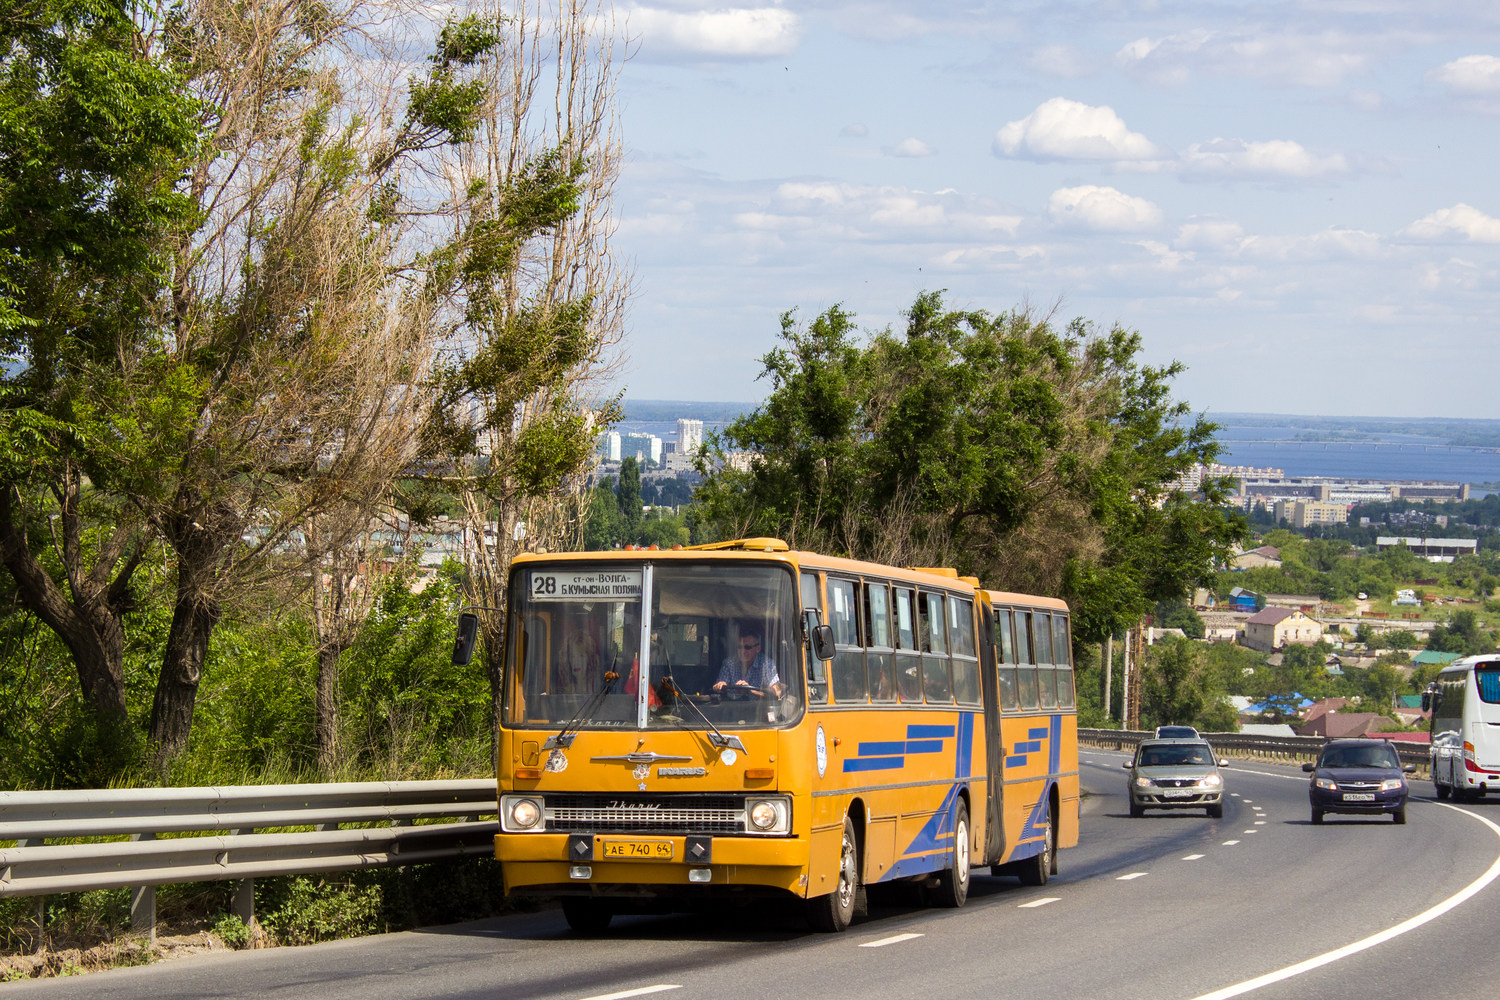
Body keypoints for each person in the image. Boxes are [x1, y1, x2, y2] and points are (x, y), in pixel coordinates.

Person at [713, 623, 782, 698]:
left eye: (747, 647)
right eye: (740, 647)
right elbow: (720, 684)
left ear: (758, 649)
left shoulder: (767, 664)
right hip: (732, 708)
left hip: (759, 709)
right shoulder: (729, 663)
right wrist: (720, 685)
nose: (743, 651)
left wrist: (750, 691)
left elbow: (777, 692)